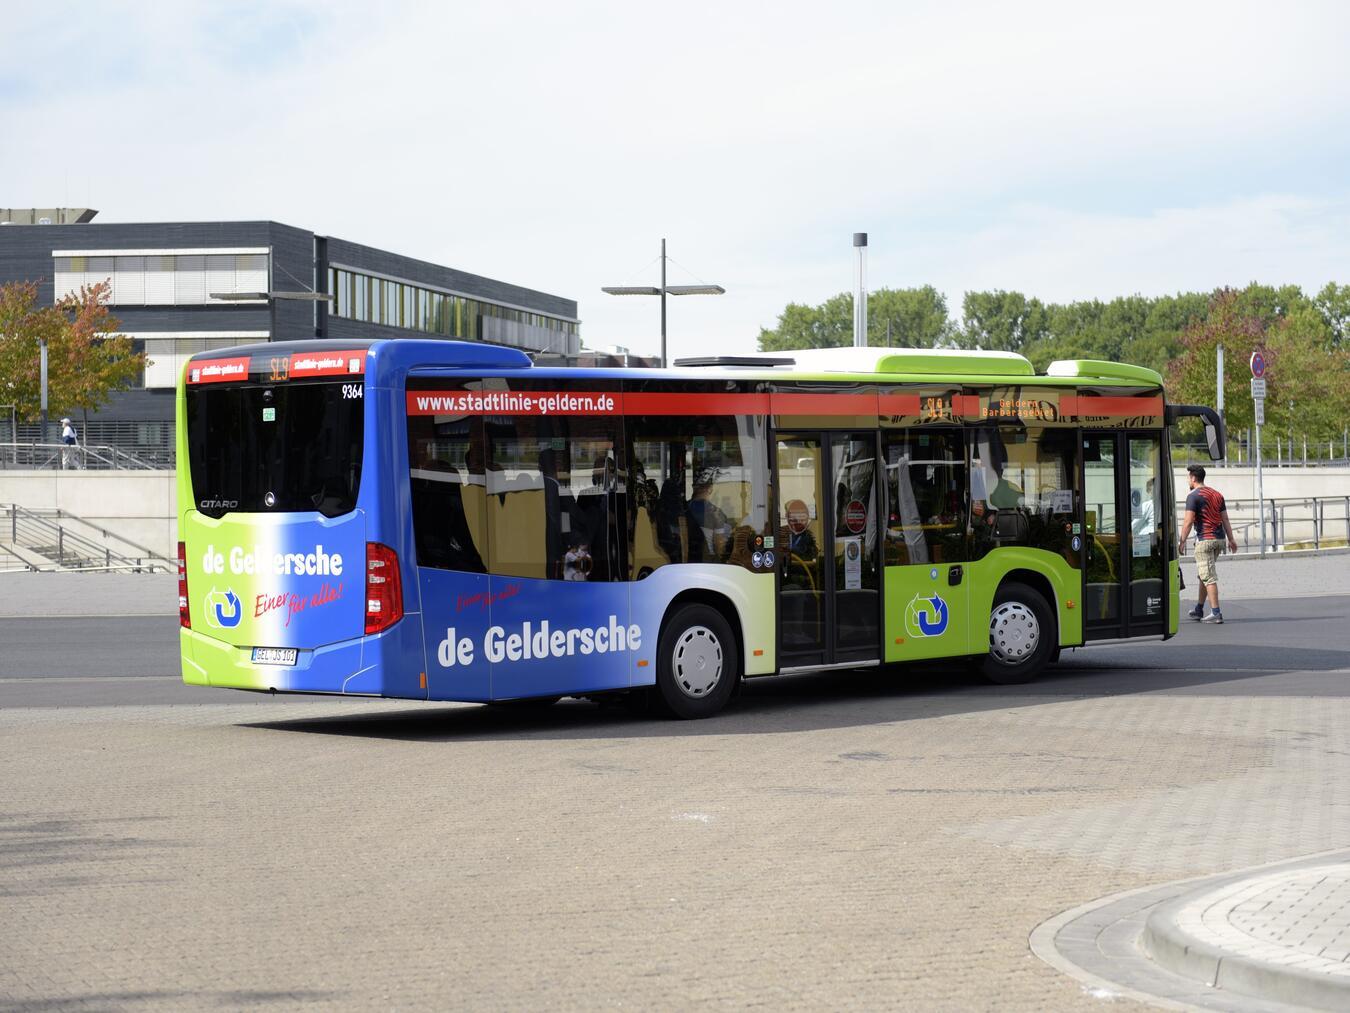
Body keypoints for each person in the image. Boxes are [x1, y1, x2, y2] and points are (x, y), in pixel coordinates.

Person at [1178, 464, 1237, 624]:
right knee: (1204, 574)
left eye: (1188, 477)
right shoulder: (1217, 494)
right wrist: (1231, 539)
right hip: (1219, 540)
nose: (1188, 480)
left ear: (1193, 478)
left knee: (1208, 576)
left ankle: (1216, 612)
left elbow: (1189, 521)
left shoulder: (1193, 496)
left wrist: (1182, 540)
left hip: (1205, 540)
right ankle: (1199, 608)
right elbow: (1225, 518)